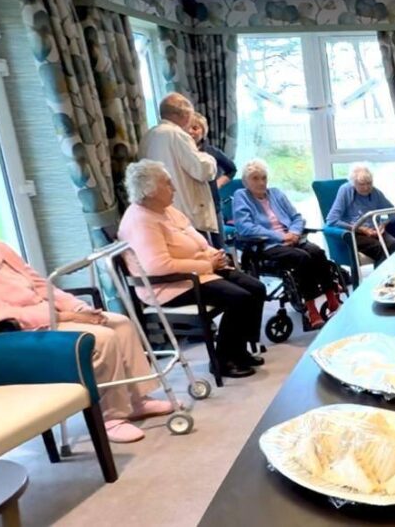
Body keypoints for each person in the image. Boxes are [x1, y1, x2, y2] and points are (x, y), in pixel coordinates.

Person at [0, 186, 173, 444]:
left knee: (119, 323)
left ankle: (137, 399)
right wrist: (64, 317)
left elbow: (42, 285)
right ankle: (111, 416)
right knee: (100, 338)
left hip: (45, 320)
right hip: (9, 334)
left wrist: (77, 308)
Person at [118, 160, 265, 378]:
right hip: (169, 286)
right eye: (167, 184)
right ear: (149, 190)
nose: (174, 188)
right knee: (239, 298)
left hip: (198, 272)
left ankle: (239, 349)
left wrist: (213, 254)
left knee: (256, 288)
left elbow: (196, 239)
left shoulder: (166, 210)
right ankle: (222, 360)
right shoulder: (140, 220)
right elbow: (158, 266)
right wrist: (207, 264)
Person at [233, 159, 342, 329]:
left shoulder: (276, 193)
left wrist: (294, 233)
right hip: (267, 245)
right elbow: (245, 227)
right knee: (302, 258)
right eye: (255, 178)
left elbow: (296, 217)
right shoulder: (242, 196)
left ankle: (332, 299)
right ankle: (311, 309)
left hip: (291, 237)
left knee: (317, 252)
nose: (261, 182)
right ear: (246, 181)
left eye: (263, 177)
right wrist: (279, 237)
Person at [141, 93, 218, 237]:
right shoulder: (177, 135)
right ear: (183, 114)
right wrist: (209, 159)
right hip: (186, 212)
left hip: (161, 211)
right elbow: (201, 170)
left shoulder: (148, 136)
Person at [326, 164, 395, 264]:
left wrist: (383, 224)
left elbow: (394, 212)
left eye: (369, 183)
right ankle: (380, 279)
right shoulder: (345, 190)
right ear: (354, 183)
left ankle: (394, 277)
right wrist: (361, 229)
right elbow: (331, 220)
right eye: (362, 184)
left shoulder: (375, 192)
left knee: (394, 244)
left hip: (375, 231)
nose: (366, 188)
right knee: (378, 247)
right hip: (355, 232)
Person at [186, 113, 237, 247]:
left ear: (203, 131)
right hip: (191, 208)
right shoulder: (181, 153)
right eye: (187, 128)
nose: (191, 131)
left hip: (213, 205)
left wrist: (218, 183)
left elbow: (231, 169)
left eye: (195, 128)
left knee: (219, 244)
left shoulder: (211, 152)